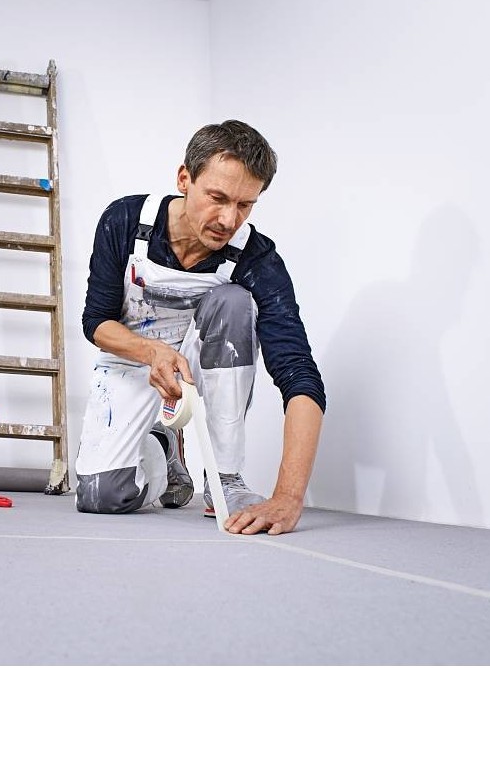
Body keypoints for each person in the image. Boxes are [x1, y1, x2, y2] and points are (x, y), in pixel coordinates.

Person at [74, 120, 326, 536]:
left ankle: (224, 477)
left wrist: (288, 497)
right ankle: (164, 445)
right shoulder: (126, 220)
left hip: (202, 362)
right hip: (133, 358)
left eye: (245, 205)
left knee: (234, 300)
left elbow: (299, 374)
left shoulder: (257, 258)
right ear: (184, 179)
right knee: (102, 496)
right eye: (217, 198)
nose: (229, 219)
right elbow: (96, 322)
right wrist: (153, 352)